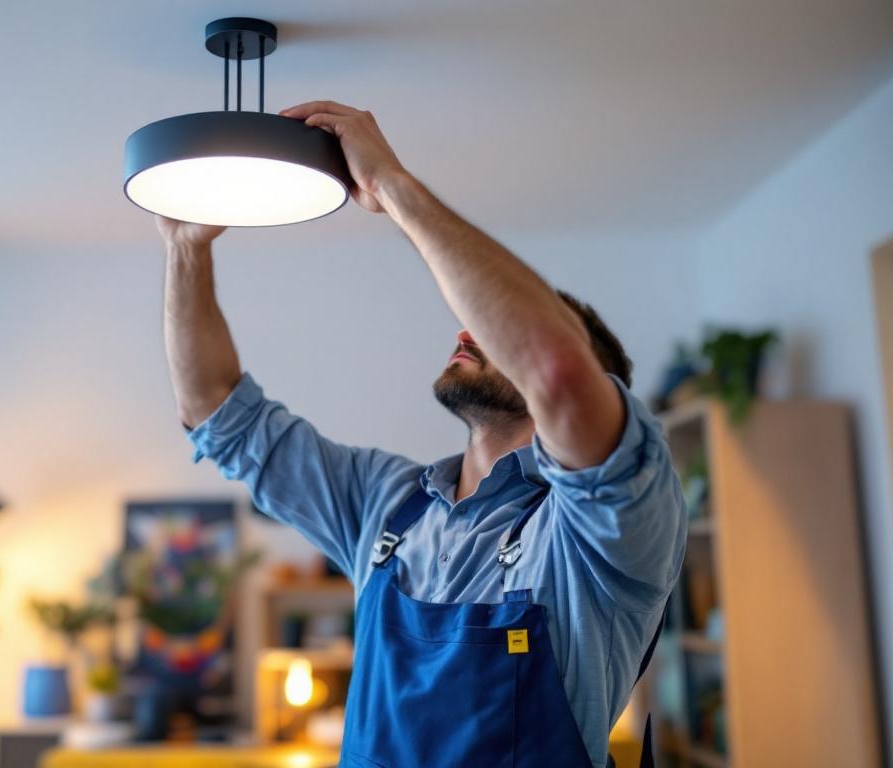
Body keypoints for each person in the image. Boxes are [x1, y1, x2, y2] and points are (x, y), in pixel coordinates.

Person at [156, 100, 688, 768]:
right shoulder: (386, 505)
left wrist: (391, 187)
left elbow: (556, 371)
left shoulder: (600, 526)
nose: (464, 330)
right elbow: (214, 410)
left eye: (492, 328)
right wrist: (183, 248)